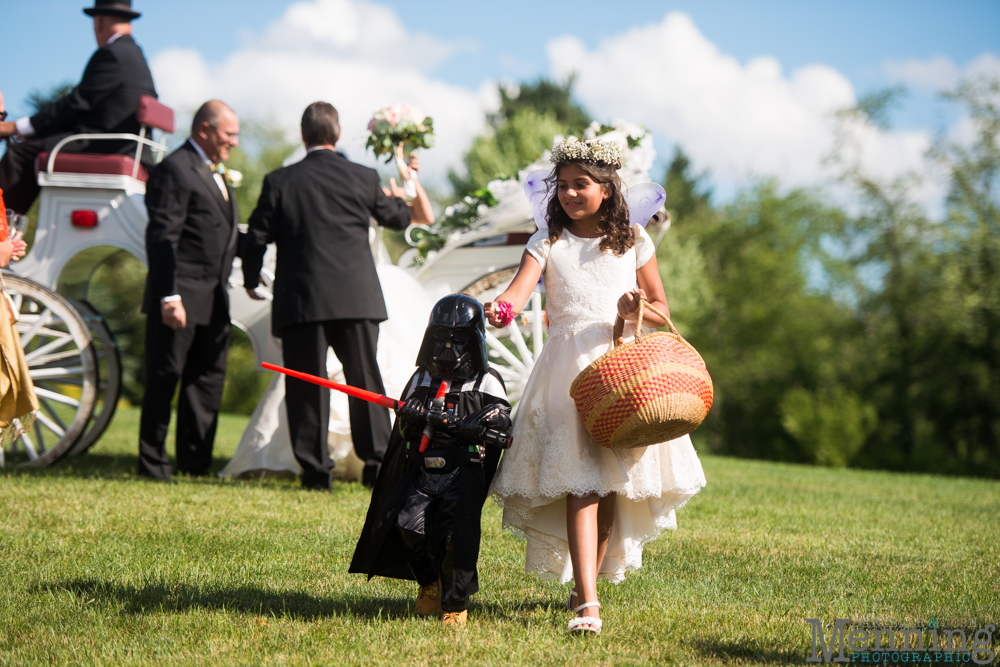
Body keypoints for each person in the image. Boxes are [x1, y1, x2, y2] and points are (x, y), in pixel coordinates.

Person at [486, 138, 707, 635]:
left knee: (607, 484)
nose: (568, 194)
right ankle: (588, 600)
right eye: (561, 186)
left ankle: (584, 587)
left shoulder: (634, 240)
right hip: (566, 374)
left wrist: (637, 312)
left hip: (622, 369)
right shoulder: (546, 242)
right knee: (580, 483)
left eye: (579, 185)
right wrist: (500, 308)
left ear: (606, 190)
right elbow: (517, 293)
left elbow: (661, 307)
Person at [241, 101, 433, 491]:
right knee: (366, 381)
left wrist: (250, 278)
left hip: (301, 301)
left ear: (303, 135)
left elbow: (257, 235)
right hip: (356, 300)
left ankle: (316, 473)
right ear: (338, 134)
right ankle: (376, 464)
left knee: (306, 385)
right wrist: (408, 185)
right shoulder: (362, 177)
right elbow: (397, 219)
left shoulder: (280, 181)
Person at [349, 295, 512, 628]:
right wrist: (410, 418)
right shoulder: (421, 379)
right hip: (423, 468)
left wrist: (476, 424)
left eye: (458, 339)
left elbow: (502, 421)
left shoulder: (486, 381)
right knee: (408, 525)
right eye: (441, 338)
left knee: (455, 538)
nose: (448, 348)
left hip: (464, 469)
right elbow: (405, 432)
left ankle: (455, 602)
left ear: (474, 339)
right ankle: (429, 585)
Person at [138, 100, 240, 480]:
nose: (234, 142)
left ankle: (194, 464)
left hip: (213, 299)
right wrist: (169, 296)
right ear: (204, 130)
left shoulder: (216, 171)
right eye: (229, 134)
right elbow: (163, 236)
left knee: (206, 383)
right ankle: (152, 465)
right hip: (179, 297)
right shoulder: (175, 170)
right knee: (165, 380)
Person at [0, 0, 157, 214]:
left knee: (19, 154)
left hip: (107, 146)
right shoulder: (136, 55)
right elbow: (93, 111)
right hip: (127, 146)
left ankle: (4, 229)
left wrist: (16, 128)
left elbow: (76, 104)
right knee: (33, 147)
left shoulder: (112, 54)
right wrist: (39, 134)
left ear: (98, 22)